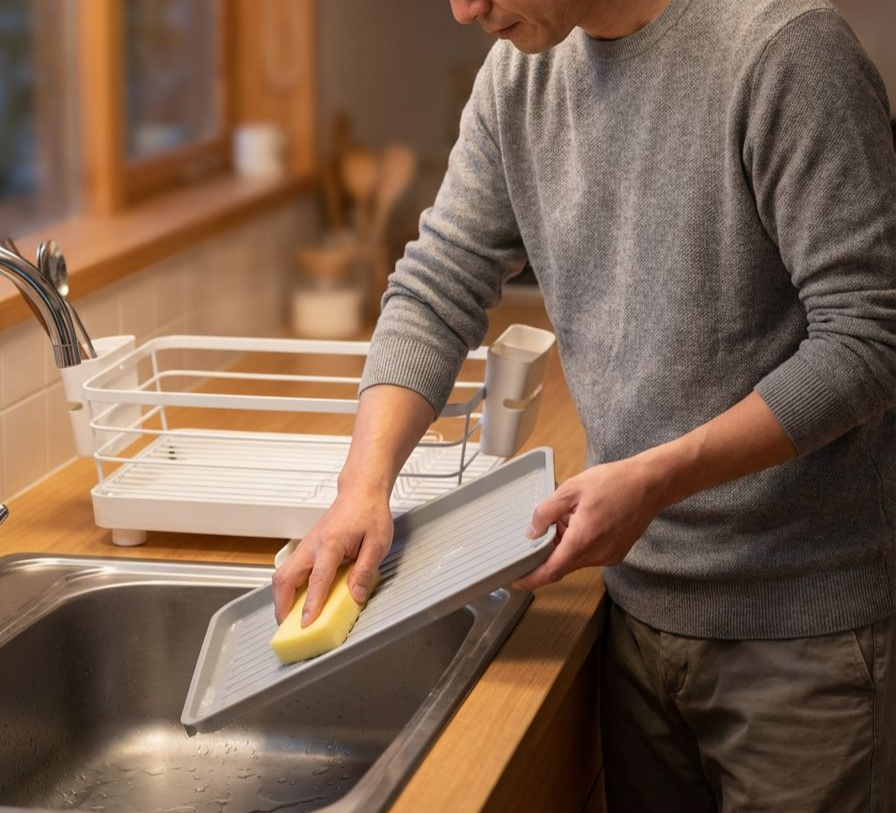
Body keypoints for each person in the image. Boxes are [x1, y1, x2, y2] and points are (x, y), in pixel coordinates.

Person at [273, 0, 896, 809]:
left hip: (805, 634)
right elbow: (436, 287)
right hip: (631, 613)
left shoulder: (785, 53)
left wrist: (658, 478)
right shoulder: (519, 76)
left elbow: (870, 334)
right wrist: (363, 486)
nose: (463, 10)